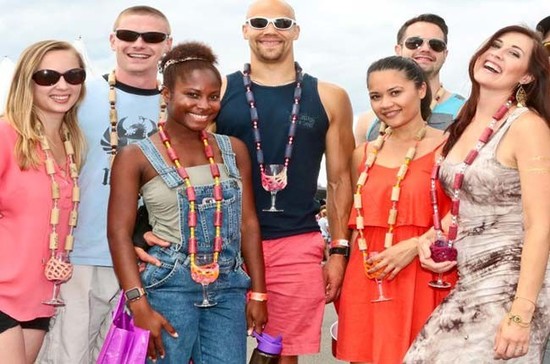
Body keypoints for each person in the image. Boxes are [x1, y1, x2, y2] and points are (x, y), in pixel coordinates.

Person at [108, 40, 267, 363]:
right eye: (192, 95)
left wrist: (259, 292)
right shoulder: (135, 156)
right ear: (166, 95)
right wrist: (138, 303)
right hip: (169, 287)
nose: (204, 105)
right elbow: (118, 234)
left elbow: (248, 222)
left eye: (213, 96)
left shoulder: (233, 149)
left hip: (229, 286)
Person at [215, 0, 354, 362]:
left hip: (295, 242)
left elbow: (340, 180)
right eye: (259, 22)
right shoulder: (218, 93)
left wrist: (338, 251)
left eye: (281, 22)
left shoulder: (330, 96)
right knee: (211, 349)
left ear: (296, 30)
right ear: (245, 30)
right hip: (224, 243)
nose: (270, 29)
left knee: (280, 352)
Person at [404, 25, 550, 362]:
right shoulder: (466, 121)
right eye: (495, 45)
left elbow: (541, 225)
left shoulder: (527, 126)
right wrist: (430, 238)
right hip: (469, 280)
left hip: (510, 288)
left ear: (527, 77)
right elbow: (468, 201)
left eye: (513, 53)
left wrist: (520, 315)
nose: (497, 53)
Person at [38, 6, 173, 363]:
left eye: (152, 37)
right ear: (112, 40)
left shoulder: (177, 105)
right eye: (128, 35)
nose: (139, 44)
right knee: (71, 356)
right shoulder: (77, 97)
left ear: (167, 45)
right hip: (83, 254)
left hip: (151, 261)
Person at [336, 56, 457, 364]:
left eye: (395, 92)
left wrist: (416, 245)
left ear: (420, 89)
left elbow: (465, 209)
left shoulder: (449, 148)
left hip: (426, 275)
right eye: (376, 96)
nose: (385, 104)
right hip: (367, 277)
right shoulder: (362, 154)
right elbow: (354, 222)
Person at [0, 40, 86, 363]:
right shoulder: (6, 135)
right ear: (28, 80)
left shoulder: (72, 143)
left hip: (41, 297)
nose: (62, 85)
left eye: (73, 75)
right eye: (48, 76)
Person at [354, 13, 465, 145]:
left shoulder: (465, 111)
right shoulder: (368, 121)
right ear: (398, 49)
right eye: (414, 43)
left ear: (445, 54)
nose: (425, 49)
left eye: (436, 44)